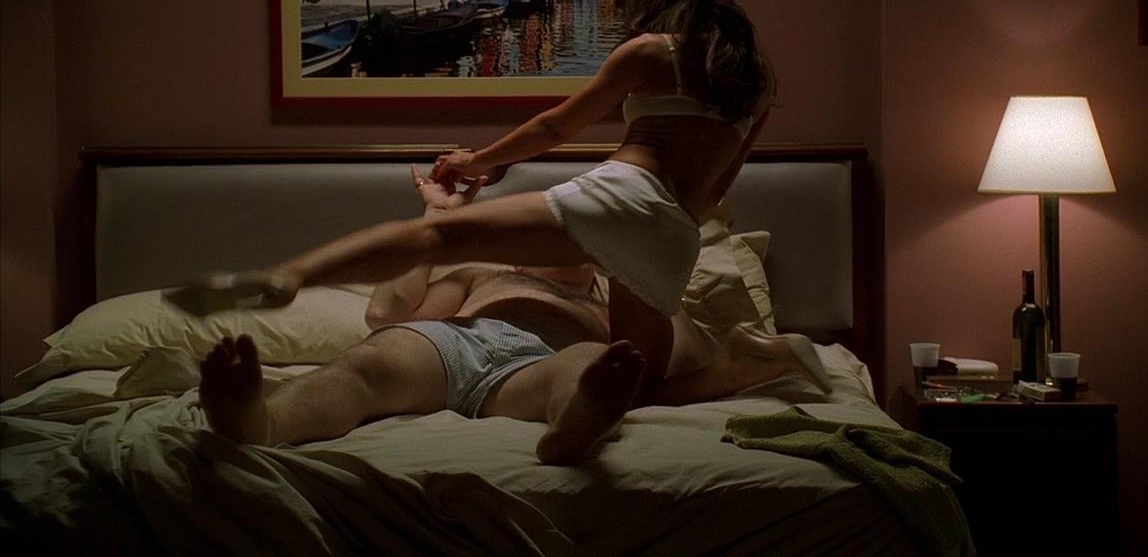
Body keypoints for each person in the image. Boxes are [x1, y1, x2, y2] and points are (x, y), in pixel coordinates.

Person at [176, 0, 775, 397]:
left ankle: (288, 278)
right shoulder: (756, 81)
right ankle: (766, 362)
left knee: (436, 238)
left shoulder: (649, 52)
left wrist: (479, 161)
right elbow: (715, 191)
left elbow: (555, 127)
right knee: (640, 386)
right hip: (675, 233)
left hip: (626, 196)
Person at [196, 172, 829, 466]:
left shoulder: (618, 301)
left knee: (587, 367)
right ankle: (262, 420)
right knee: (367, 365)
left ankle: (571, 429)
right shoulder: (483, 273)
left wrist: (642, 272)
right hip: (456, 344)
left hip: (541, 366)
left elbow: (679, 362)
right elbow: (385, 312)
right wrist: (437, 218)